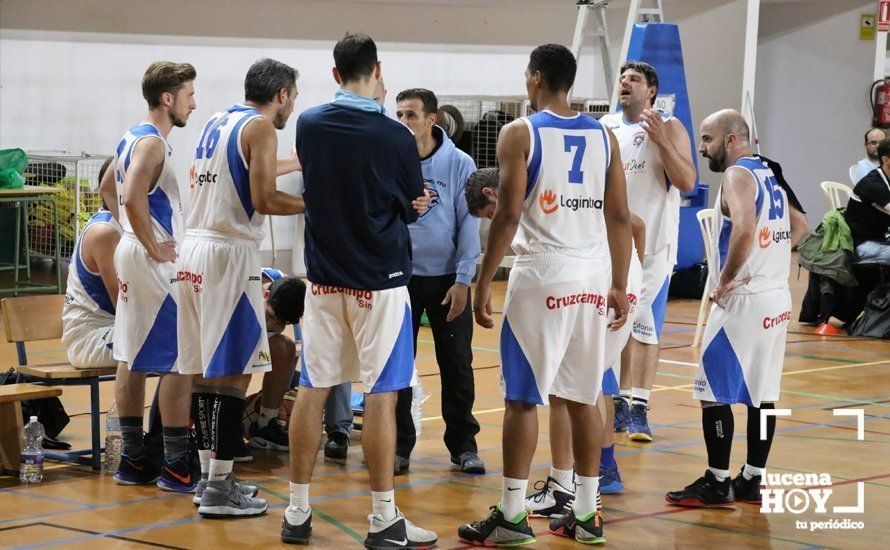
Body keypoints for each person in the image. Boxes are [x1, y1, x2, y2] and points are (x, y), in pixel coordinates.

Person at [458, 43, 632, 546]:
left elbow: (508, 216)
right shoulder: (604, 134)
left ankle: (512, 515)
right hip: (592, 274)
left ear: (534, 78)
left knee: (521, 399)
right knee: (581, 396)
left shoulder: (521, 132)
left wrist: (483, 280)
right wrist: (619, 284)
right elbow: (619, 218)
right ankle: (587, 513)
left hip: (543, 272)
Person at [282, 34, 436, 548]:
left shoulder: (308, 124)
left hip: (323, 279)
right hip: (380, 281)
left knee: (313, 388)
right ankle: (383, 518)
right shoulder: (394, 135)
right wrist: (411, 202)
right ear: (377, 70)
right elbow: (412, 199)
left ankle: (297, 512)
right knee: (381, 396)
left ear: (333, 74)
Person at [465, 167, 644, 509]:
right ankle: (595, 482)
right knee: (589, 386)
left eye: (489, 214)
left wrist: (484, 281)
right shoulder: (578, 179)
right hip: (617, 278)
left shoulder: (529, 180)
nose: (494, 218)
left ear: (491, 194)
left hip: (579, 277)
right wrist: (632, 277)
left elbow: (508, 221)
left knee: (560, 392)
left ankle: (560, 489)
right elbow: (634, 224)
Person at [178, 58, 305, 518]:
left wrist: (298, 162)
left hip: (194, 250)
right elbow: (264, 198)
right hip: (228, 253)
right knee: (233, 371)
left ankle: (211, 477)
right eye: (294, 98)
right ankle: (218, 486)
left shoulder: (219, 120)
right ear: (284, 94)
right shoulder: (262, 127)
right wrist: (321, 204)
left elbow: (253, 169)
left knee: (205, 370)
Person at [666, 109, 795, 507]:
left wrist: (725, 279)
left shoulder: (737, 175)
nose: (703, 148)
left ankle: (717, 480)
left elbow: (743, 226)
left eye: (707, 139)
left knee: (712, 392)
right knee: (762, 393)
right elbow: (802, 226)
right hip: (777, 295)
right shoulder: (769, 172)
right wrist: (770, 259)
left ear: (733, 140)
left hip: (747, 298)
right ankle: (753, 479)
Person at [105, 61, 197, 493]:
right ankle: (178, 464)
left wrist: (127, 231)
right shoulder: (154, 145)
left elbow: (109, 186)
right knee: (180, 360)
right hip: (153, 262)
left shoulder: (132, 135)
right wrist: (149, 241)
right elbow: (128, 194)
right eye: (189, 95)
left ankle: (133, 459)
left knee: (130, 354)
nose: (193, 103)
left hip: (134, 256)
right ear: (168, 98)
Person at [599, 61, 696, 442]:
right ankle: (620, 400)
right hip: (611, 243)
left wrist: (661, 141)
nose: (625, 84)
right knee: (615, 321)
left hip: (654, 245)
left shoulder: (668, 126)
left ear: (651, 90)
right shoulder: (605, 127)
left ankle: (639, 406)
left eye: (634, 80)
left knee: (642, 324)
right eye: (622, 79)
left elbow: (687, 182)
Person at [393, 87, 483, 475]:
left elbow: (470, 224)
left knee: (457, 365)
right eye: (398, 115)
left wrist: (464, 279)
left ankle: (463, 445)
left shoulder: (459, 163)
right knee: (397, 368)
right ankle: (399, 446)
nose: (403, 122)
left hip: (447, 278)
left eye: (410, 115)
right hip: (400, 279)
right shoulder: (391, 159)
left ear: (432, 120)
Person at [322, 76, 388, 462]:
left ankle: (395, 443)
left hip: (380, 271)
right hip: (338, 267)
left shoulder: (387, 138)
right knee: (333, 365)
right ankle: (339, 430)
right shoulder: (331, 132)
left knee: (379, 366)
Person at [62, 159, 121, 369]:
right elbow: (123, 304)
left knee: (184, 339)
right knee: (175, 342)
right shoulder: (105, 232)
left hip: (112, 329)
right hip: (90, 337)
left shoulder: (126, 226)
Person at [242, 268, 307, 452]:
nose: (271, 325)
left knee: (286, 347)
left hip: (251, 339)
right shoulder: (248, 278)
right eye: (269, 317)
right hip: (222, 337)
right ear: (265, 294)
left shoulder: (286, 286)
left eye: (280, 323)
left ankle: (266, 423)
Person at [845, 137, 890, 264]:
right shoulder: (874, 184)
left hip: (881, 239)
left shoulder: (886, 178)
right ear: (886, 160)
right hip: (863, 245)